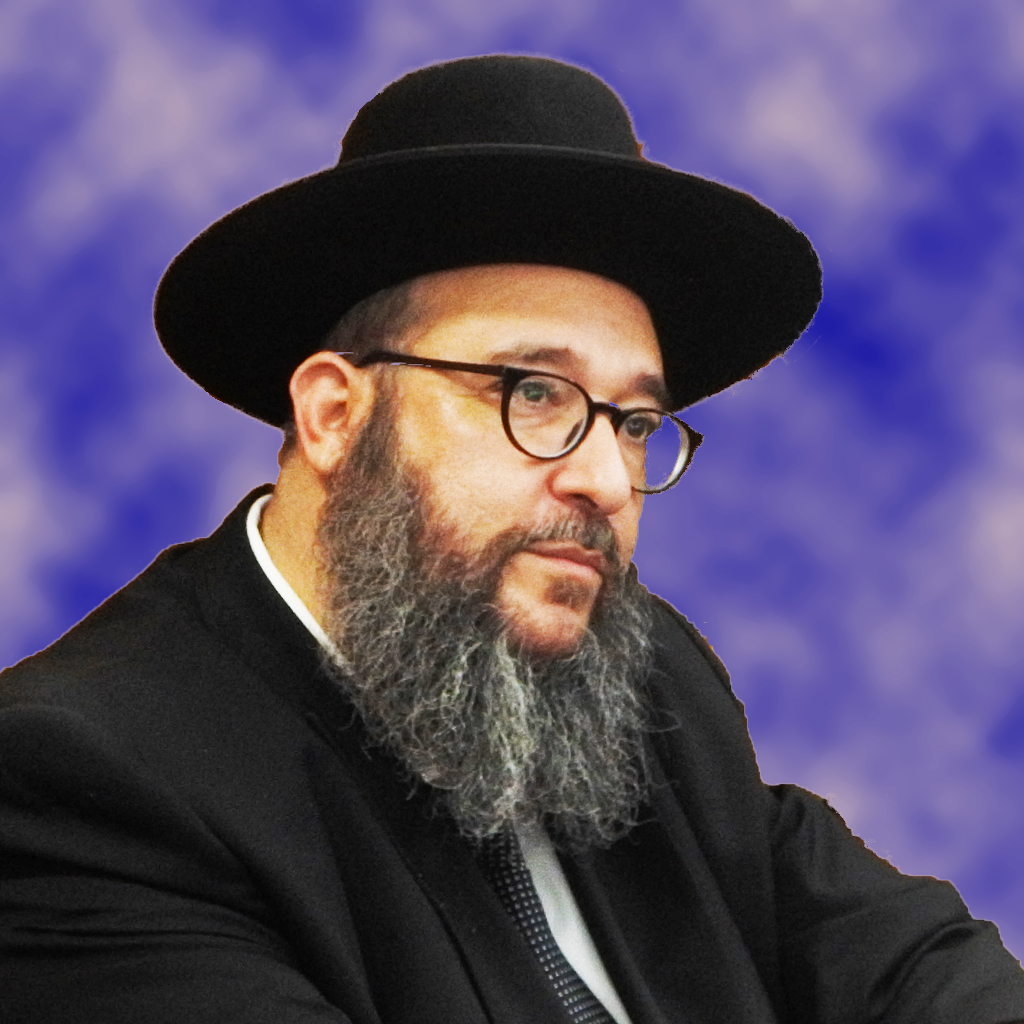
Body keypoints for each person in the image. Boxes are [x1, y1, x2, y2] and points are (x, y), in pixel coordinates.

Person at [1, 54, 1022, 1024]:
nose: (607, 478)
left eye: (633, 421)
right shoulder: (84, 784)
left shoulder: (635, 673)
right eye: (534, 392)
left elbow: (909, 964)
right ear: (334, 415)